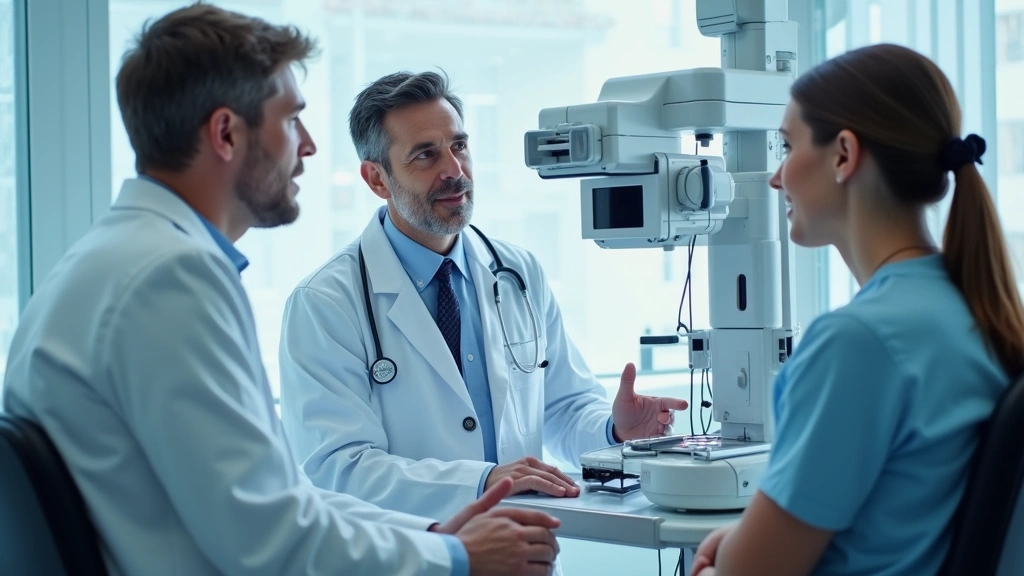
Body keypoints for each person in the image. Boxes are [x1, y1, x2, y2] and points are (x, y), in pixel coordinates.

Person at [1, 5, 562, 575]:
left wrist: (438, 533)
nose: (310, 146)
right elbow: (266, 538)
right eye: (292, 119)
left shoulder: (110, 260)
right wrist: (455, 556)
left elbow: (271, 503)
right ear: (225, 133)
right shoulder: (169, 280)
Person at [277, 70, 689, 522]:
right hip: (413, 558)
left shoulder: (519, 273)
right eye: (425, 155)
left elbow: (563, 408)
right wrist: (481, 481)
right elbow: (337, 467)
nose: (454, 171)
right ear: (376, 179)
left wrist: (614, 428)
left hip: (522, 553)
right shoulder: (326, 304)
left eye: (459, 146)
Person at [689, 43, 1024, 576]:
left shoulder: (859, 343)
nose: (777, 177)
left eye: (787, 145)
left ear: (844, 154)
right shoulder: (975, 308)